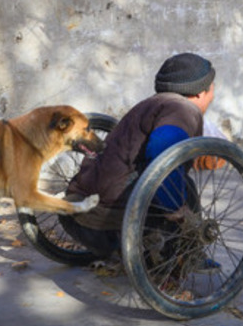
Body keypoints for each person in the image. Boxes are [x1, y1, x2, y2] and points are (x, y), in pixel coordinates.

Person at [60, 52, 217, 258]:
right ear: (199, 92)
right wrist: (177, 210)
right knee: (183, 187)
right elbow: (161, 152)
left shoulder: (152, 104)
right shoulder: (183, 110)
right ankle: (184, 257)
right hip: (108, 228)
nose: (214, 94)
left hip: (75, 216)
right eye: (213, 88)